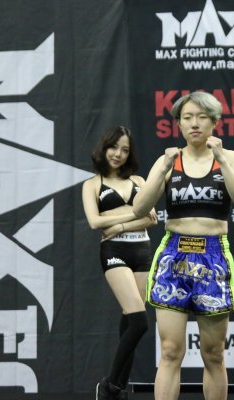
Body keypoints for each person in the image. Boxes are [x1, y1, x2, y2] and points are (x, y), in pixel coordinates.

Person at [132, 91, 234, 400]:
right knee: (170, 351)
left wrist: (222, 160)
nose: (194, 123)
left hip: (213, 255)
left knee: (213, 354)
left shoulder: (231, 158)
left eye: (201, 117)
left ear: (215, 121)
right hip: (174, 255)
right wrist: (163, 169)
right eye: (187, 117)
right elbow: (139, 208)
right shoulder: (168, 161)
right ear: (178, 123)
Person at [82, 126, 158, 400]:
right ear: (104, 148)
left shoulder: (139, 180)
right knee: (139, 321)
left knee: (129, 318)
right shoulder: (92, 184)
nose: (118, 154)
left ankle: (118, 388)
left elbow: (152, 217)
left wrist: (120, 224)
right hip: (114, 251)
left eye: (125, 150)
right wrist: (133, 215)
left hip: (142, 250)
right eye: (114, 147)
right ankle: (109, 385)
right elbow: (95, 222)